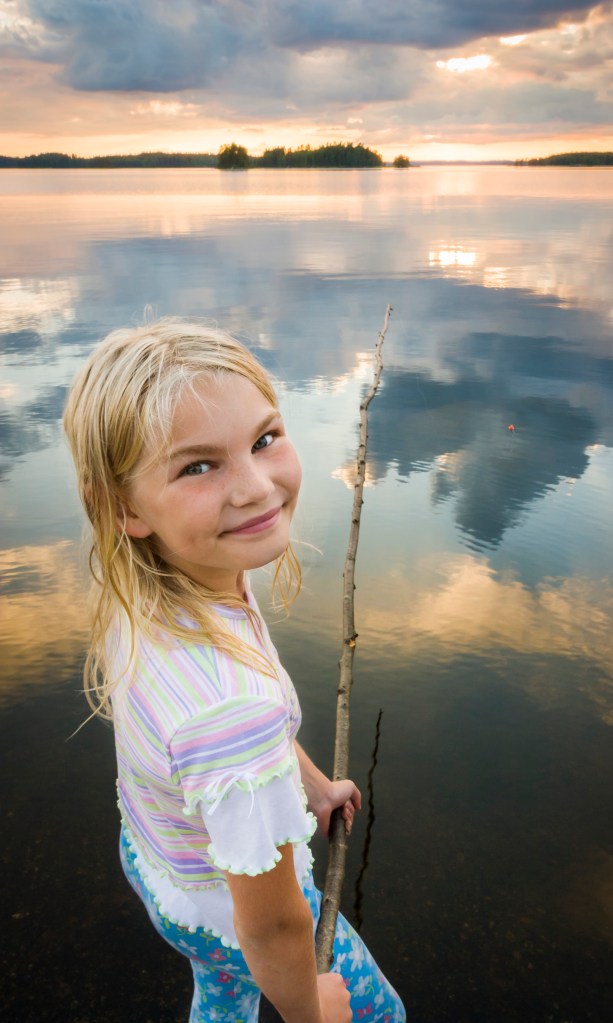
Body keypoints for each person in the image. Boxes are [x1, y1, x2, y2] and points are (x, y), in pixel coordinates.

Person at [63, 319, 405, 1023]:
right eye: (197, 465)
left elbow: (235, 753)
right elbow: (271, 927)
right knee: (378, 1014)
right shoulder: (231, 706)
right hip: (229, 906)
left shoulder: (170, 579)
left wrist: (307, 784)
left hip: (162, 869)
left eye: (264, 439)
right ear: (124, 507)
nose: (255, 487)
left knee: (224, 989)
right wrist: (311, 1010)